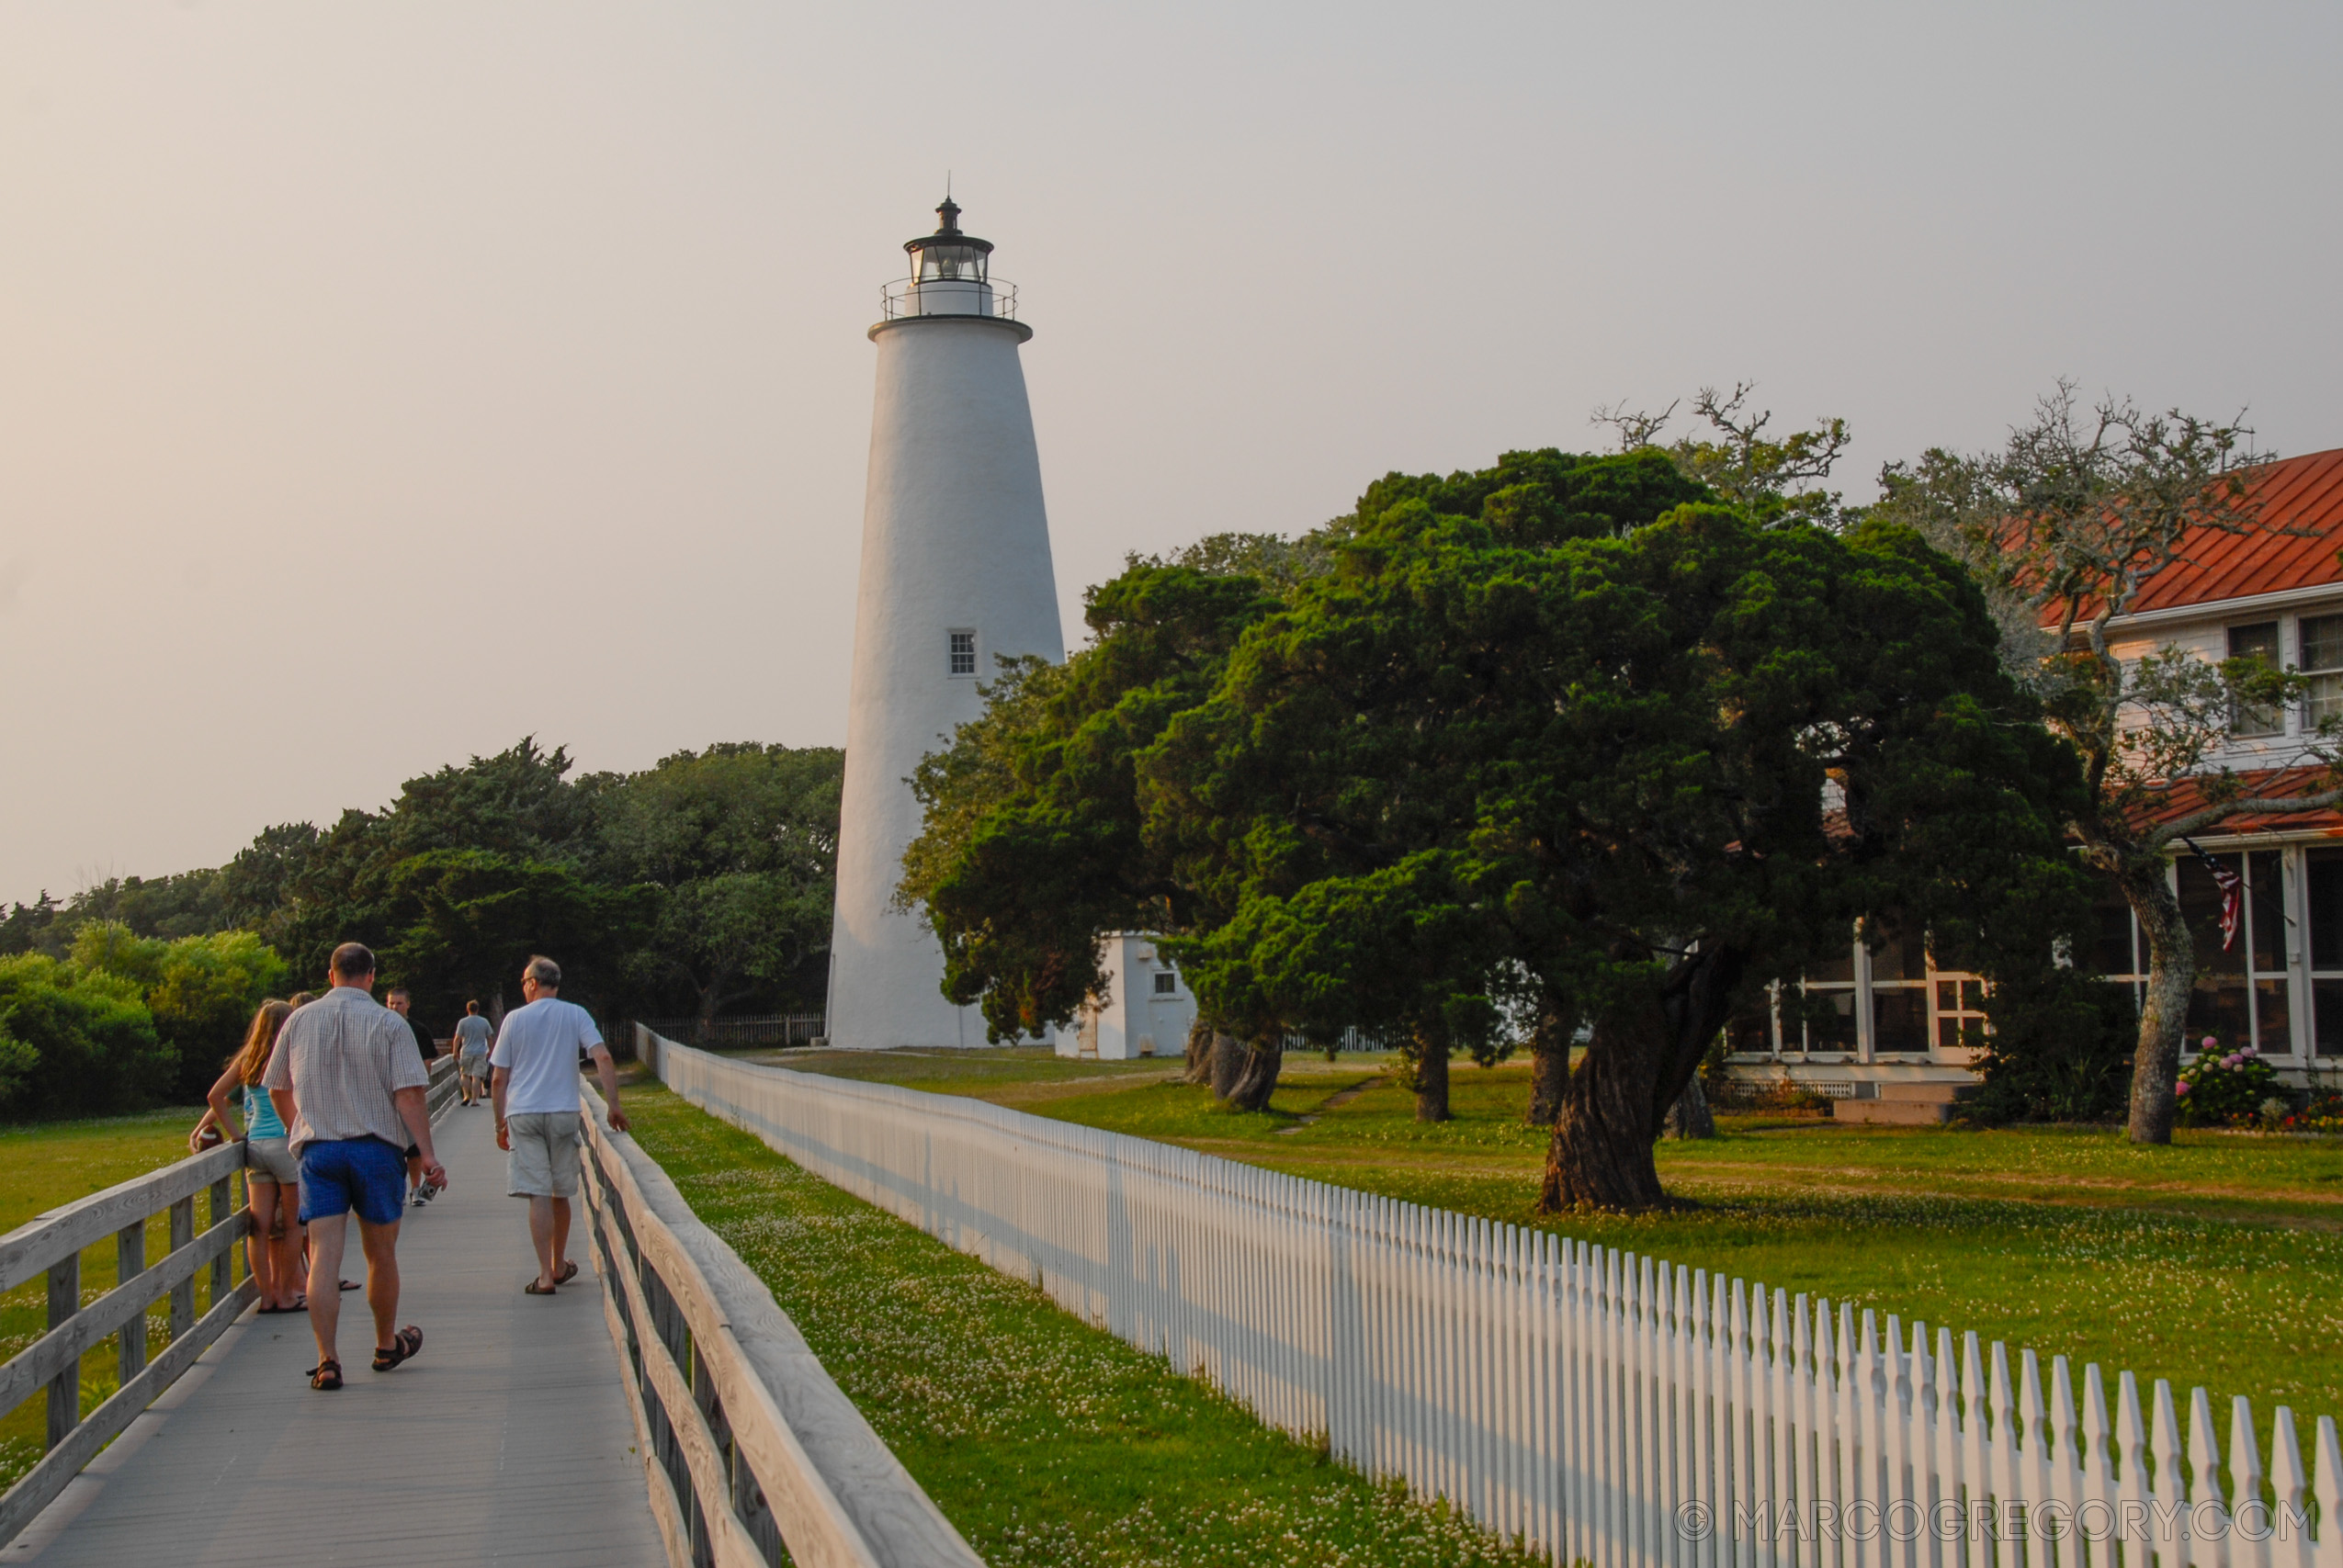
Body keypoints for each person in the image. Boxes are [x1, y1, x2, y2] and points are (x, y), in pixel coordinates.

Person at [265, 941, 445, 1391]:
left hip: (319, 1151)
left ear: (330, 976)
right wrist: (427, 1153)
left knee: (324, 1254)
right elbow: (409, 1093)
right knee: (379, 1254)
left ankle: (327, 1360)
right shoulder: (388, 1023)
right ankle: (386, 1345)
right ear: (371, 976)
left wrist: (297, 1131)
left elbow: (276, 1086)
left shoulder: (299, 1020)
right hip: (375, 1149)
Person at [491, 954, 628, 1295]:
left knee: (537, 1193)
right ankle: (559, 1261)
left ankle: (545, 1276)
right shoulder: (575, 1014)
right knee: (560, 1191)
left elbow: (498, 1079)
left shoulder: (514, 1019)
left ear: (534, 983)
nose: (523, 987)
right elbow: (603, 1056)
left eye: (524, 982)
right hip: (563, 1110)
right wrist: (614, 1106)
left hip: (523, 1113)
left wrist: (499, 1123)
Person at [190, 999, 305, 1313]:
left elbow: (215, 1096)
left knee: (260, 1226)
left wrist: (235, 1134)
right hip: (285, 1143)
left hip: (256, 1146)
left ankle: (265, 1297)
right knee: (294, 1224)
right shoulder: (289, 1057)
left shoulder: (248, 1059)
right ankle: (286, 1293)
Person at [385, 986, 440, 1206]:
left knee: (414, 1147)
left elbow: (428, 1061)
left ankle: (416, 1189)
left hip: (410, 1094)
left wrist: (418, 1086)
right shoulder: (379, 1027)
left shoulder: (418, 1029)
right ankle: (395, 1189)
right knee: (391, 1146)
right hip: (386, 1098)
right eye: (390, 1003)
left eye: (399, 1003)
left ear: (407, 1004)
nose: (394, 1007)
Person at [452, 1000, 493, 1106]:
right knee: (477, 1076)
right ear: (478, 1009)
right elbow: (489, 1038)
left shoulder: (463, 1022)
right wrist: (491, 1050)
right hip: (480, 1052)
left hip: (466, 1051)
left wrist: (455, 1051)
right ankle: (475, 1100)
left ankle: (466, 1095)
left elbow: (457, 1038)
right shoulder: (484, 1022)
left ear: (467, 1009)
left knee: (465, 1074)